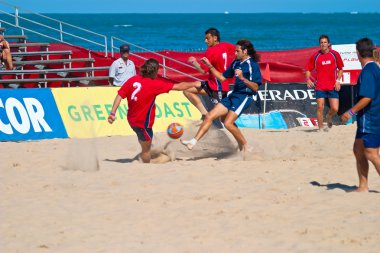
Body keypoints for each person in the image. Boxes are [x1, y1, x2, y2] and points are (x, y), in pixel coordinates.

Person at [108, 58, 200, 163]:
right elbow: (179, 87)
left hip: (132, 120)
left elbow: (119, 96)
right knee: (146, 150)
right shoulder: (154, 84)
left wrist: (112, 113)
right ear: (154, 71)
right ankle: (146, 166)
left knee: (143, 140)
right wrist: (195, 83)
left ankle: (145, 149)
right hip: (143, 123)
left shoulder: (132, 80)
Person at [181, 39, 262, 152]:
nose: (234, 53)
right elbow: (222, 78)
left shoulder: (252, 65)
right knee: (210, 116)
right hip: (233, 95)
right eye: (234, 51)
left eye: (237, 51)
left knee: (228, 123)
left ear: (245, 51)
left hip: (244, 96)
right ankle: (193, 142)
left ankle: (246, 146)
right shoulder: (236, 63)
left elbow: (255, 87)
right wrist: (210, 66)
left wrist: (243, 78)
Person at [341, 38, 380, 192]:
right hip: (369, 118)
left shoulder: (369, 71)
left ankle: (363, 185)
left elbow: (368, 97)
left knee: (371, 153)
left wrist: (350, 112)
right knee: (358, 149)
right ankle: (363, 186)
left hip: (371, 119)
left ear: (358, 53)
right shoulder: (375, 68)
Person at [184, 28, 235, 120]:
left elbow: (203, 71)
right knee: (187, 90)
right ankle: (204, 114)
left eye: (208, 38)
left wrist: (194, 62)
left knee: (224, 119)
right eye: (205, 38)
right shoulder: (226, 45)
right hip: (211, 85)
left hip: (218, 88)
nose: (205, 41)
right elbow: (238, 52)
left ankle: (233, 131)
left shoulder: (210, 51)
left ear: (215, 38)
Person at [305, 34, 344, 130]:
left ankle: (329, 117)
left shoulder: (335, 54)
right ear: (319, 44)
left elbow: (341, 69)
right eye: (321, 42)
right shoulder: (316, 56)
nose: (323, 44)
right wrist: (308, 79)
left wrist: (338, 80)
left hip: (332, 86)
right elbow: (308, 69)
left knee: (335, 109)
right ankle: (321, 129)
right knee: (320, 107)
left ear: (328, 44)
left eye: (325, 42)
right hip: (320, 86)